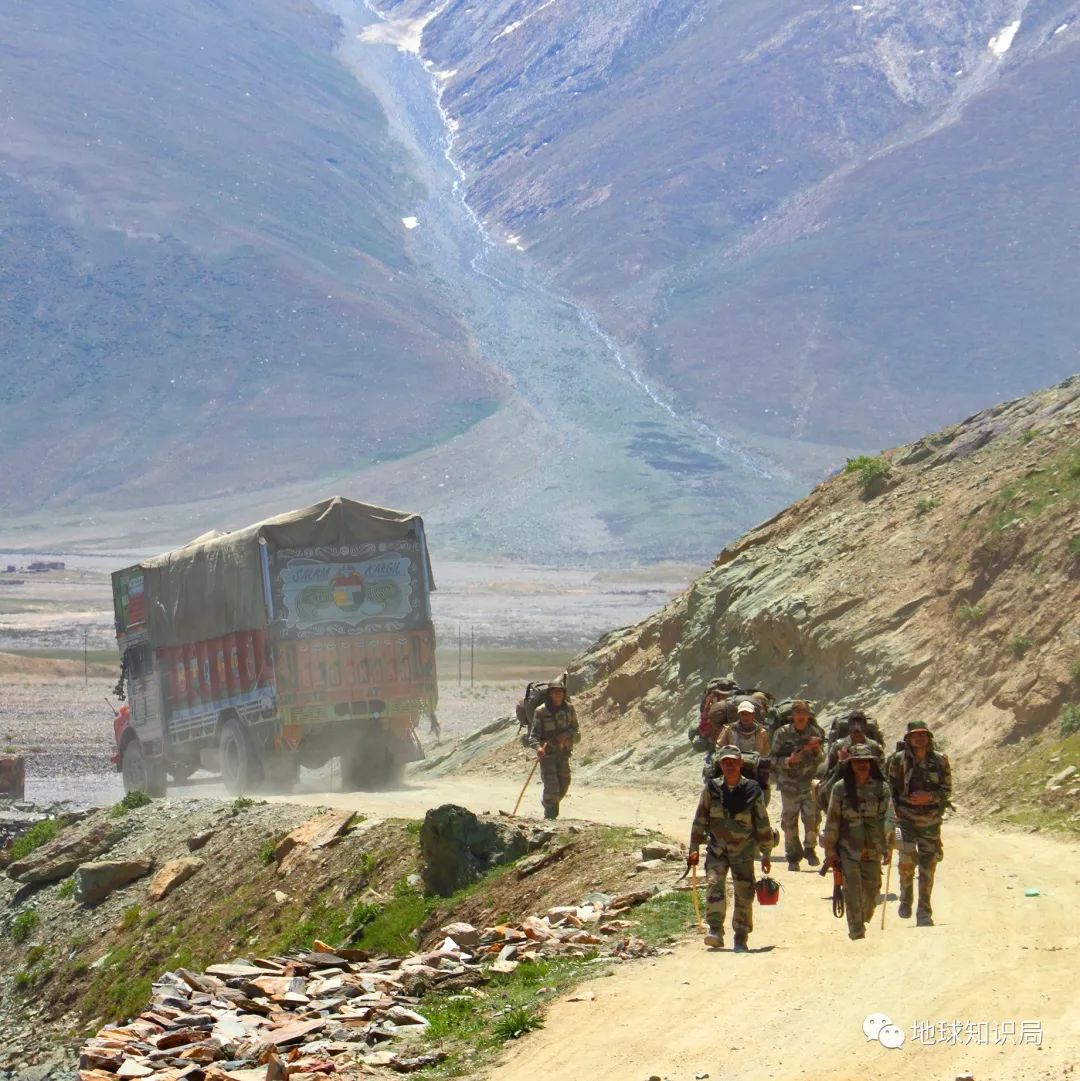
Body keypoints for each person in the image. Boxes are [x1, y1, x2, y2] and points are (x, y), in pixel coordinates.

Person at [688, 745, 774, 952]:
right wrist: (694, 848)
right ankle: (715, 930)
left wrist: (766, 853)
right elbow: (700, 818)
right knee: (714, 886)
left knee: (744, 892)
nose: (730, 766)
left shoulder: (752, 789)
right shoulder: (712, 789)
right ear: (720, 765)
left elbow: (762, 822)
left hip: (743, 852)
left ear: (740, 764)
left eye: (733, 762)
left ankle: (741, 936)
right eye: (725, 762)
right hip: (717, 849)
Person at [822, 745, 892, 940]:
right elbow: (832, 820)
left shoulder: (881, 788)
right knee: (852, 890)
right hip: (848, 848)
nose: (862, 765)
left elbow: (888, 817)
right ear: (850, 764)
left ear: (871, 763)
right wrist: (830, 851)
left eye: (865, 761)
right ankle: (856, 930)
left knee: (873, 888)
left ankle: (863, 918)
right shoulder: (840, 788)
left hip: (873, 848)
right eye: (857, 762)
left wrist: (888, 844)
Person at [887, 721, 951, 926]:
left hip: (930, 822)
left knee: (928, 868)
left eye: (923, 735)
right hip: (905, 819)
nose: (920, 738)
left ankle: (924, 912)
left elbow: (946, 790)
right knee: (906, 862)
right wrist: (891, 815)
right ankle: (906, 897)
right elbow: (889, 790)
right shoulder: (897, 760)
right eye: (915, 735)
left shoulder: (940, 760)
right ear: (908, 739)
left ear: (929, 738)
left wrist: (929, 797)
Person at [770, 699, 825, 870]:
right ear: (793, 715)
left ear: (808, 715)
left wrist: (815, 751)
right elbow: (771, 759)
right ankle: (793, 857)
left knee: (812, 817)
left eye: (804, 713)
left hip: (808, 782)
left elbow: (822, 758)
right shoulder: (782, 733)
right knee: (789, 821)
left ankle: (810, 849)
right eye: (798, 713)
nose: (801, 717)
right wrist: (789, 761)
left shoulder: (814, 732)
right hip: (788, 784)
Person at [528, 682, 580, 819]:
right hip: (547, 755)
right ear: (550, 694)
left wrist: (566, 735)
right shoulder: (541, 711)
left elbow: (575, 727)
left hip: (563, 753)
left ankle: (548, 803)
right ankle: (550, 816)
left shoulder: (569, 709)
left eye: (560, 691)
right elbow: (533, 736)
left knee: (564, 783)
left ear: (563, 693)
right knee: (552, 786)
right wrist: (538, 748)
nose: (558, 694)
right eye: (554, 692)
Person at [717, 699, 773, 799]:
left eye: (748, 714)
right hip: (732, 765)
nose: (745, 716)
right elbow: (719, 748)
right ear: (739, 715)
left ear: (753, 715)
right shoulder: (729, 729)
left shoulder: (761, 732)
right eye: (742, 714)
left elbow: (766, 752)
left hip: (754, 768)